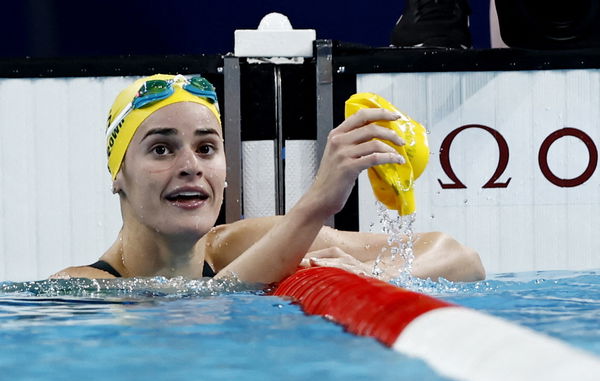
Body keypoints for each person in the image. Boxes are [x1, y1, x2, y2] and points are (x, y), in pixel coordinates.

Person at [52, 74, 484, 283]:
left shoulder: (240, 245)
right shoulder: (80, 291)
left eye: (206, 148)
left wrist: (379, 273)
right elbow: (202, 307)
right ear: (118, 175)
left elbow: (461, 258)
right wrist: (317, 203)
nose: (191, 166)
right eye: (161, 149)